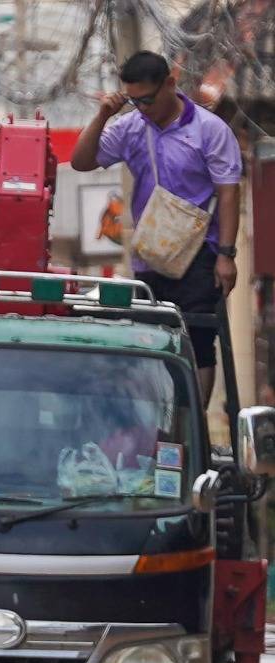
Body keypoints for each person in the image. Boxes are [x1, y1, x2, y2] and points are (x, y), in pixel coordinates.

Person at [71, 50, 242, 406]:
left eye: (147, 99)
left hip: (200, 251)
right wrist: (104, 114)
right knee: (154, 337)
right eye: (134, 101)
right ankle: (159, 417)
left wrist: (226, 255)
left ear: (170, 84)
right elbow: (82, 161)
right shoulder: (129, 128)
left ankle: (190, 423)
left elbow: (228, 192)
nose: (142, 107)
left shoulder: (210, 130)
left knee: (197, 338)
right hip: (150, 253)